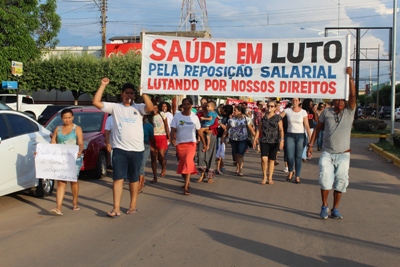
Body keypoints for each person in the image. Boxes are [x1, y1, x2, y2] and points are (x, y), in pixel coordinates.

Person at [93, 78, 153, 218]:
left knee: (133, 178)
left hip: (137, 150)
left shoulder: (138, 108)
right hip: (120, 149)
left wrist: (143, 92)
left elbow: (149, 108)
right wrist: (103, 85)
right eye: (127, 93)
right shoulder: (115, 107)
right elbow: (96, 102)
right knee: (118, 178)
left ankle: (133, 205)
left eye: (132, 93)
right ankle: (116, 208)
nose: (129, 95)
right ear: (122, 94)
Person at [307, 66, 356, 220]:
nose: (340, 102)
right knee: (325, 179)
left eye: (343, 100)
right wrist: (310, 145)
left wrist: (350, 77)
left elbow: (353, 95)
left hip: (343, 154)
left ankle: (335, 208)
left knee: (341, 181)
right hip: (327, 153)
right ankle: (324, 206)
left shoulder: (349, 111)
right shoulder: (326, 112)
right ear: (333, 100)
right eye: (338, 99)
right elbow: (317, 129)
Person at [49, 108, 84, 216]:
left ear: (72, 117)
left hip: (74, 158)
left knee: (73, 180)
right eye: (65, 118)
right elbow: (53, 142)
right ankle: (58, 207)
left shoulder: (77, 129)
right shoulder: (58, 129)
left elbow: (81, 142)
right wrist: (42, 153)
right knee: (61, 182)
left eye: (69, 117)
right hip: (61, 159)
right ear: (62, 118)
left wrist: (80, 150)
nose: (67, 120)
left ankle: (75, 201)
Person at [170, 97, 206, 195]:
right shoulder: (177, 116)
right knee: (183, 163)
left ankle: (186, 187)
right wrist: (172, 138)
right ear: (182, 105)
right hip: (180, 143)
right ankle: (186, 179)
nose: (186, 106)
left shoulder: (194, 117)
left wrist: (204, 143)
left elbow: (199, 131)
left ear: (191, 105)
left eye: (188, 104)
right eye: (184, 104)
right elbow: (173, 128)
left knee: (188, 161)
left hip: (191, 143)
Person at [280, 98, 311, 184]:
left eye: (297, 100)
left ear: (299, 101)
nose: (295, 102)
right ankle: (290, 171)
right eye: (293, 100)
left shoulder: (303, 112)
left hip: (300, 136)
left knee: (298, 157)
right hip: (290, 135)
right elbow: (278, 117)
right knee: (289, 156)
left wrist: (310, 138)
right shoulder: (288, 111)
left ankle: (297, 176)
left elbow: (307, 125)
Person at [253, 100, 284, 185]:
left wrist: (282, 140)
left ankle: (270, 177)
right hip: (264, 140)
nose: (270, 108)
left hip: (274, 141)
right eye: (268, 106)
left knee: (271, 160)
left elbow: (281, 129)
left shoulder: (278, 117)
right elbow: (259, 129)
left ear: (275, 108)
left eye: (272, 106)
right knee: (264, 158)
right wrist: (255, 139)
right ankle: (264, 176)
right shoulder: (264, 117)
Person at [222, 105, 255, 177]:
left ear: (240, 111)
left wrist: (255, 138)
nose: (233, 112)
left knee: (240, 154)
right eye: (233, 110)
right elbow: (227, 129)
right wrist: (223, 137)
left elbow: (251, 129)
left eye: (235, 110)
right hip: (233, 139)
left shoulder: (246, 119)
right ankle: (237, 166)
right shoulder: (231, 120)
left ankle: (240, 170)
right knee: (236, 154)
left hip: (243, 139)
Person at [197, 100, 219, 183]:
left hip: (211, 133)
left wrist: (207, 129)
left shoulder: (213, 113)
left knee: (211, 154)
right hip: (201, 134)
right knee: (201, 154)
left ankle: (210, 176)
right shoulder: (199, 114)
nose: (204, 104)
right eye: (202, 103)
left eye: (205, 103)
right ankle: (202, 174)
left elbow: (216, 124)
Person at [149, 103, 170, 184]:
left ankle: (163, 166)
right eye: (153, 108)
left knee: (161, 157)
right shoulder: (148, 116)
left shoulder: (162, 115)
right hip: (152, 138)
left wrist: (168, 136)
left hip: (162, 137)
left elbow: (166, 125)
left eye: (156, 108)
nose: (154, 110)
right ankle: (155, 177)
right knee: (153, 158)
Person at [138, 115, 155, 193]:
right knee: (136, 165)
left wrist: (154, 147)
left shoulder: (149, 126)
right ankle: (142, 179)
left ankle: (140, 185)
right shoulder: (134, 124)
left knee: (141, 165)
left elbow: (152, 138)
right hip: (135, 146)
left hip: (145, 146)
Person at [216, 105, 233, 175]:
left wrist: (219, 123)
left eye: (222, 109)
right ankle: (221, 165)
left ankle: (218, 167)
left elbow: (226, 128)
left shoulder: (228, 118)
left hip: (222, 136)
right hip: (216, 134)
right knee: (218, 152)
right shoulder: (218, 115)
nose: (221, 110)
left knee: (219, 152)